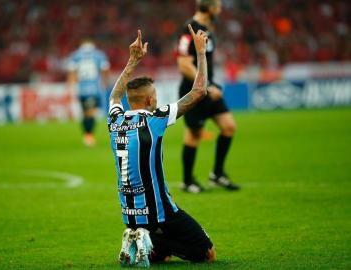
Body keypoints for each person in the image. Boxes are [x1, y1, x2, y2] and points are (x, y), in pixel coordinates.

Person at [108, 28, 215, 267]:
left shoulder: (114, 120)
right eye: (154, 95)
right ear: (148, 100)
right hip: (159, 211)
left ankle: (142, 239)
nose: (156, 99)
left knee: (161, 258)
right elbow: (199, 91)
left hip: (130, 214)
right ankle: (150, 239)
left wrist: (132, 61)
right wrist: (201, 53)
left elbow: (114, 97)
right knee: (207, 254)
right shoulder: (155, 119)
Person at [176, 0, 240, 193]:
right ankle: (187, 181)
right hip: (193, 92)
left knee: (229, 127)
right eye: (218, 7)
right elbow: (183, 64)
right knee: (193, 136)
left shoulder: (206, 29)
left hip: (209, 90)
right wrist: (207, 84)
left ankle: (217, 174)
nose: (220, 10)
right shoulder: (190, 29)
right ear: (210, 8)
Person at [66, 39, 110, 146]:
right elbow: (105, 69)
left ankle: (88, 135)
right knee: (90, 113)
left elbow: (71, 72)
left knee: (86, 113)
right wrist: (104, 83)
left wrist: (71, 87)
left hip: (81, 90)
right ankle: (88, 135)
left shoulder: (75, 55)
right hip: (94, 89)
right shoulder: (99, 55)